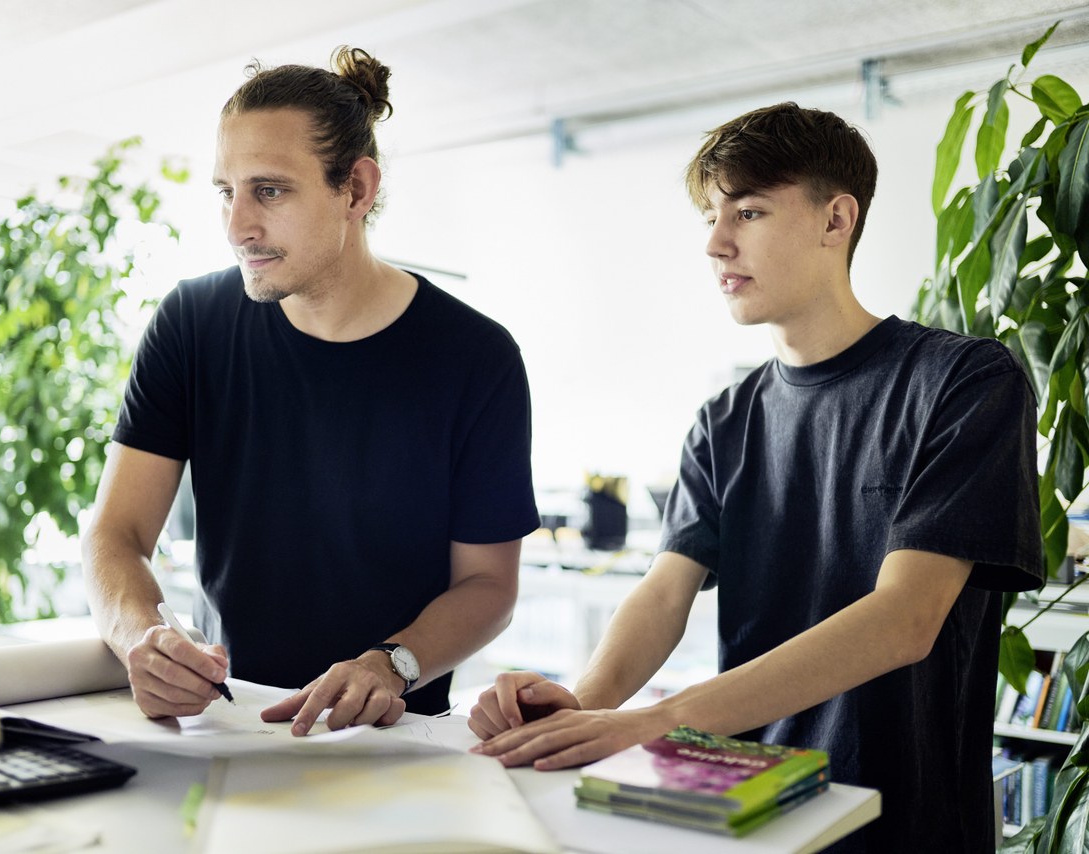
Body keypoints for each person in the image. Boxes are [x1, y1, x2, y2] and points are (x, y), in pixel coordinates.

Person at [467, 102, 1041, 852]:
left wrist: (652, 721)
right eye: (712, 214)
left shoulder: (964, 381)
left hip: (901, 822)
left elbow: (906, 618)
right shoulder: (725, 419)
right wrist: (584, 703)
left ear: (836, 219)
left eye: (750, 211)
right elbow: (664, 593)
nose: (715, 243)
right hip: (750, 814)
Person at [82, 46, 538, 735]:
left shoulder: (477, 356)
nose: (237, 226)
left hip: (395, 736)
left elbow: (488, 585)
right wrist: (140, 638)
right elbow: (116, 533)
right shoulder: (191, 324)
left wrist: (389, 665)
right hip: (228, 721)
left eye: (269, 190)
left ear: (355, 190)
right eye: (225, 192)